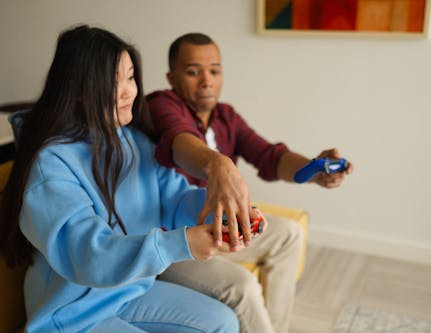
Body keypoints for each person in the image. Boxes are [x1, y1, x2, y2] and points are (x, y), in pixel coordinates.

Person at [0, 25, 251, 333]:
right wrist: (180, 244)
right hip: (72, 313)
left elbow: (175, 199)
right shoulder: (50, 163)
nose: (128, 91)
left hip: (128, 291)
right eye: (111, 81)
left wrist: (225, 213)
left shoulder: (134, 142)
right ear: (77, 89)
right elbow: (89, 255)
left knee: (223, 322)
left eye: (130, 76)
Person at [147, 33, 354, 333]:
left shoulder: (225, 116)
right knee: (243, 286)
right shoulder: (161, 105)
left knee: (289, 234)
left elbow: (270, 157)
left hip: (219, 228)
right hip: (177, 241)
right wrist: (217, 163)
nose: (206, 80)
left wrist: (314, 170)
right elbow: (180, 142)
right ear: (172, 76)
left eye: (214, 70)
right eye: (193, 71)